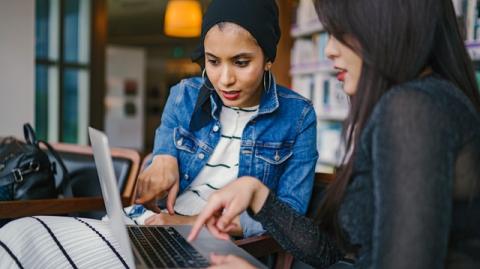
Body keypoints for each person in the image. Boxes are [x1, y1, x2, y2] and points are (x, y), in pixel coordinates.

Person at [188, 0, 480, 268]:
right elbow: (336, 256)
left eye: (340, 32)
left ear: (388, 23)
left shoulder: (413, 109)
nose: (329, 50)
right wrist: (258, 195)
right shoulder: (427, 101)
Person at [132, 0, 317, 239]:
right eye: (213, 61)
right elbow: (160, 162)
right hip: (159, 224)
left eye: (241, 63)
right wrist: (162, 156)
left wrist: (187, 223)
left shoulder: (299, 116)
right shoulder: (184, 95)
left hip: (225, 245)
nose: (225, 79)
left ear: (268, 59)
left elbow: (289, 214)